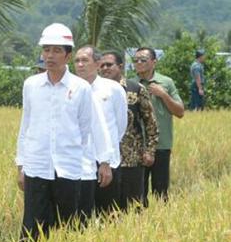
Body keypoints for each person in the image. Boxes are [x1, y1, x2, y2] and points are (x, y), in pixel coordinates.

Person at [15, 24, 113, 242]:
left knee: (68, 229)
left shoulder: (80, 88)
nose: (50, 55)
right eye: (46, 49)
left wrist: (102, 160)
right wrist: (21, 164)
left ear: (68, 56)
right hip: (37, 167)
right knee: (32, 229)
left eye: (57, 50)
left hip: (68, 169)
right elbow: (26, 125)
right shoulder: (31, 85)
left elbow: (86, 129)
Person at [99, 50, 158, 209]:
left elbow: (150, 122)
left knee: (132, 207)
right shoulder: (94, 90)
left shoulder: (135, 89)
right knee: (106, 209)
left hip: (131, 159)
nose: (105, 68)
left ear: (120, 66)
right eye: (102, 65)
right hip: (105, 160)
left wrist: (150, 151)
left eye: (109, 65)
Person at [72, 46, 126, 219]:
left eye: (84, 60)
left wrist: (105, 156)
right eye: (77, 61)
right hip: (79, 161)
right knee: (80, 216)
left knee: (107, 215)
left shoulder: (113, 89)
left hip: (107, 162)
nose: (80, 65)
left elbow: (120, 125)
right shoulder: (70, 89)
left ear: (97, 63)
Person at [132, 47, 184, 204]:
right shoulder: (131, 84)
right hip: (137, 146)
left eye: (143, 60)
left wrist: (163, 94)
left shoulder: (166, 82)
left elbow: (180, 112)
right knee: (137, 193)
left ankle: (161, 218)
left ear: (154, 62)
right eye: (136, 60)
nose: (138, 63)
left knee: (161, 192)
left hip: (161, 144)